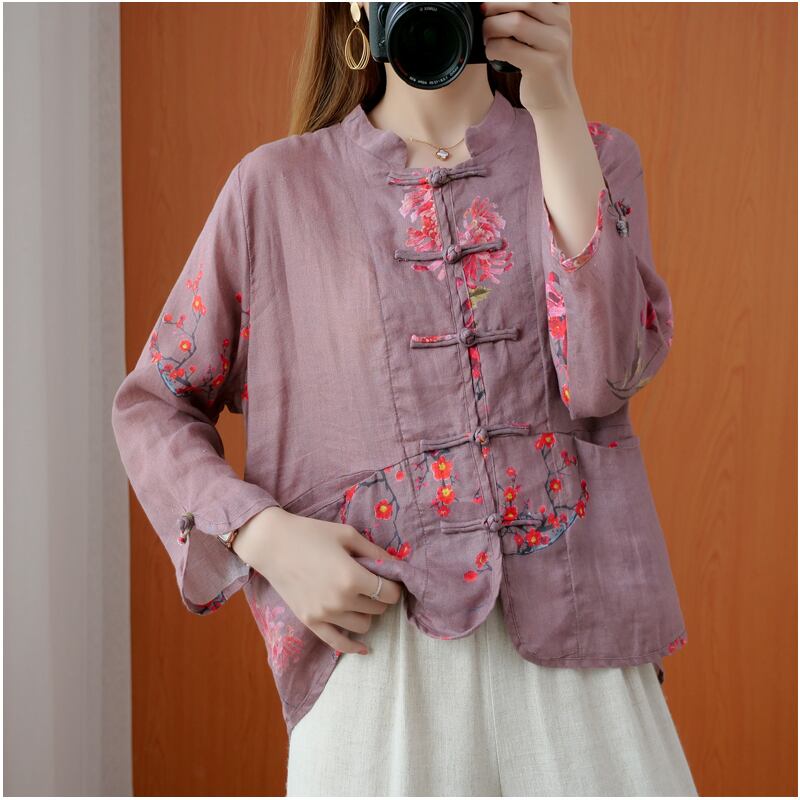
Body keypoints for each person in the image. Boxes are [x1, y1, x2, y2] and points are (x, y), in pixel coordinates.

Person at [112, 1, 697, 795]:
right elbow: (153, 403)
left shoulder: (593, 154)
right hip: (376, 670)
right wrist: (263, 535)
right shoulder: (274, 190)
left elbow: (603, 376)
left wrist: (556, 103)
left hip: (586, 656)